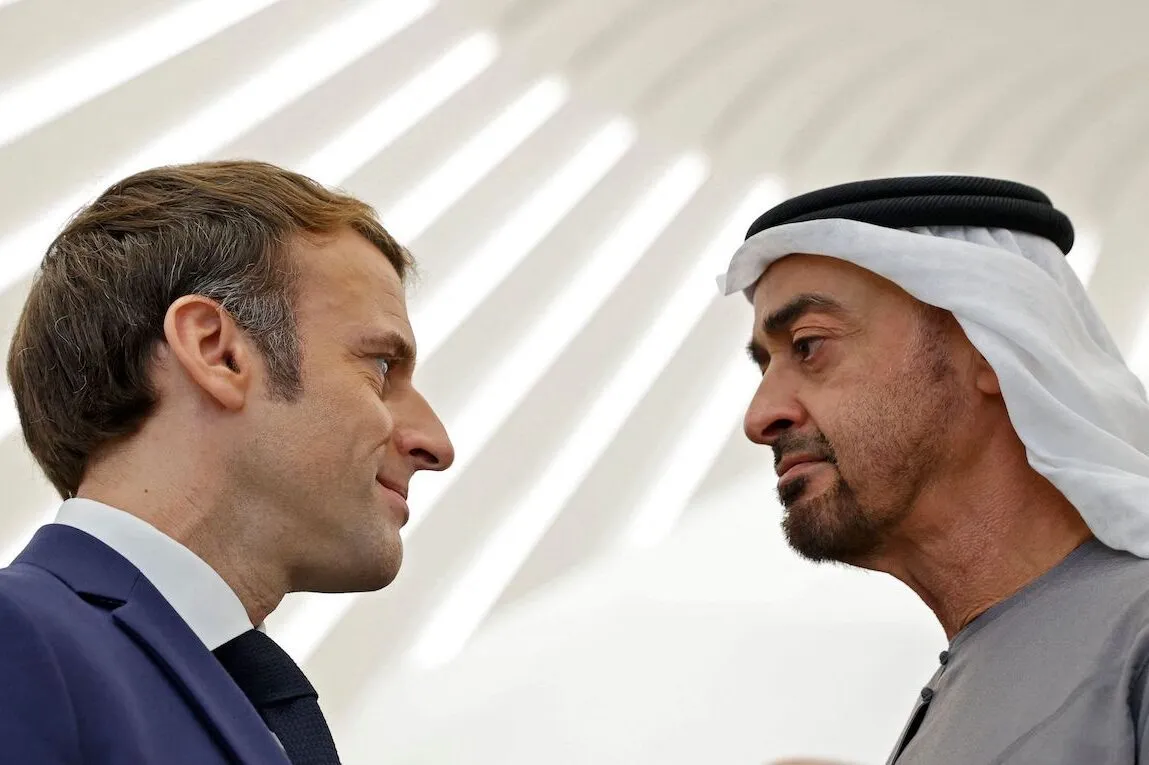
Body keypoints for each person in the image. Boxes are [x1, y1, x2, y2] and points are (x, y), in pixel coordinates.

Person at [0, 160, 455, 764]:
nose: (437, 444)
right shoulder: (17, 639)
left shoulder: (236, 703)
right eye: (380, 367)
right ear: (217, 352)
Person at [716, 176, 1149, 764]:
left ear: (991, 346)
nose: (760, 416)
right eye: (764, 366)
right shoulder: (968, 681)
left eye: (808, 345)